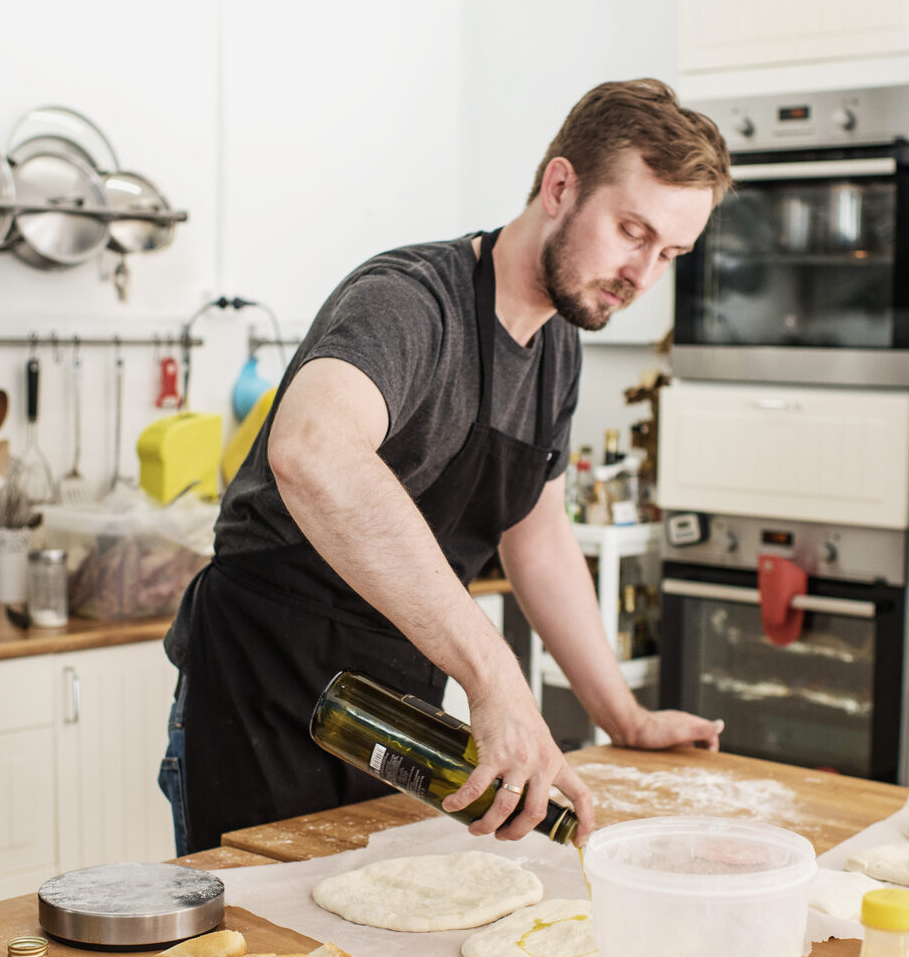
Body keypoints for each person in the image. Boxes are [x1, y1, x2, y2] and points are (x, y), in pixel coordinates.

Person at [160, 79, 730, 855]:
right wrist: (493, 675)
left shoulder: (557, 346)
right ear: (560, 186)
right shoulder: (410, 302)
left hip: (395, 704)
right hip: (264, 688)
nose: (643, 276)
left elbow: (539, 535)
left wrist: (622, 715)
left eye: (670, 253)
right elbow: (312, 450)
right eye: (633, 230)